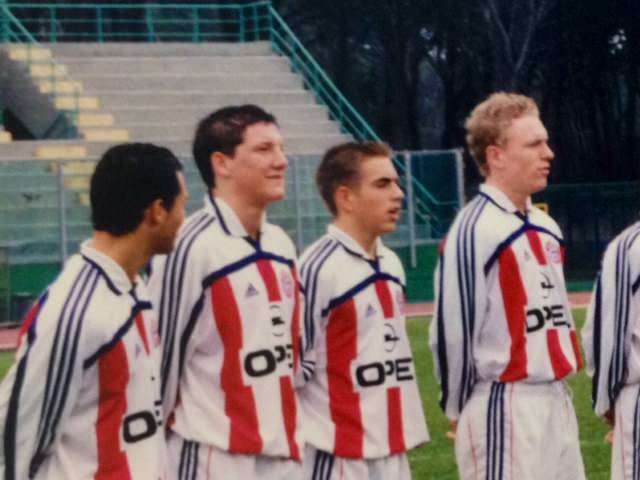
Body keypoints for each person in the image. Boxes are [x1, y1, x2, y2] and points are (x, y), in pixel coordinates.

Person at [0, 142, 188, 479]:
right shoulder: (77, 311)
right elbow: (18, 441)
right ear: (157, 211)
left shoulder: (135, 287)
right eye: (182, 206)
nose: (183, 220)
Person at [429, 92, 585, 479]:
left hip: (556, 400)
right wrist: (458, 406)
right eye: (534, 144)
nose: (548, 153)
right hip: (505, 402)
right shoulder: (475, 228)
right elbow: (452, 331)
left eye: (546, 142)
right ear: (496, 156)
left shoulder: (546, 226)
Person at [147, 105, 303, 478]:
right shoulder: (191, 246)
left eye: (281, 148)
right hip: (212, 456)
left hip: (281, 454)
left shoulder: (281, 244)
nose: (281, 161)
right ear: (222, 163)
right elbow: (158, 364)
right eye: (264, 149)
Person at [297, 141, 429, 479]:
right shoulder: (315, 268)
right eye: (382, 184)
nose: (398, 194)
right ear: (346, 198)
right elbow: (294, 370)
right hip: (337, 456)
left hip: (391, 452)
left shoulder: (392, 264)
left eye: (397, 183)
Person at [582, 219, 640, 479]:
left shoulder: (628, 245)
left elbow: (604, 330)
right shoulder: (630, 246)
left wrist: (604, 397)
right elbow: (608, 330)